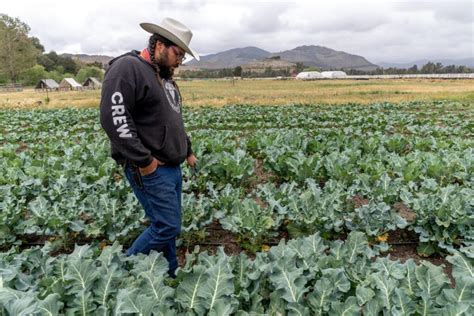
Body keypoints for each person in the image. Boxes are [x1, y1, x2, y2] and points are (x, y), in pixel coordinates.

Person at [99, 17, 199, 277]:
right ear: (160, 45)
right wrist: (145, 161)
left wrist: (186, 150)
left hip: (172, 168)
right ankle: (121, 272)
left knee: (166, 225)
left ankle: (170, 272)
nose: (179, 61)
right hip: (150, 169)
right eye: (178, 54)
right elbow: (115, 117)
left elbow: (172, 117)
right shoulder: (128, 68)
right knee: (167, 226)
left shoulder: (164, 76)